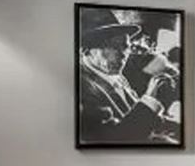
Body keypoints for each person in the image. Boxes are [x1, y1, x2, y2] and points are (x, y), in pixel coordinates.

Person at [77, 8, 180, 145]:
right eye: (114, 46)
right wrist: (150, 98)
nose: (123, 54)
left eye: (126, 46)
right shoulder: (82, 88)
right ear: (85, 50)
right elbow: (116, 140)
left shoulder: (116, 76)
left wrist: (179, 128)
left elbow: (137, 118)